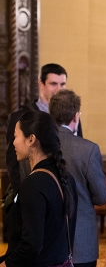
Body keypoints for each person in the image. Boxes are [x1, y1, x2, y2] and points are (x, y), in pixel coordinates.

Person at [0, 110, 78, 267]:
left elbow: (31, 245)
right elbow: (67, 233)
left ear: (31, 139)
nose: (13, 142)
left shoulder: (33, 185)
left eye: (16, 136)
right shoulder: (66, 178)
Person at [49, 90, 106, 267]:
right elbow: (102, 197)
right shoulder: (87, 149)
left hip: (47, 239)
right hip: (81, 243)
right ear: (76, 117)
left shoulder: (36, 146)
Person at [6, 63, 82, 193]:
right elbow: (14, 164)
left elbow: (79, 149)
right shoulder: (21, 117)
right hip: (34, 190)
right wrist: (22, 194)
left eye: (62, 84)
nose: (59, 89)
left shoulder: (71, 115)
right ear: (41, 84)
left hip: (67, 191)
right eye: (53, 84)